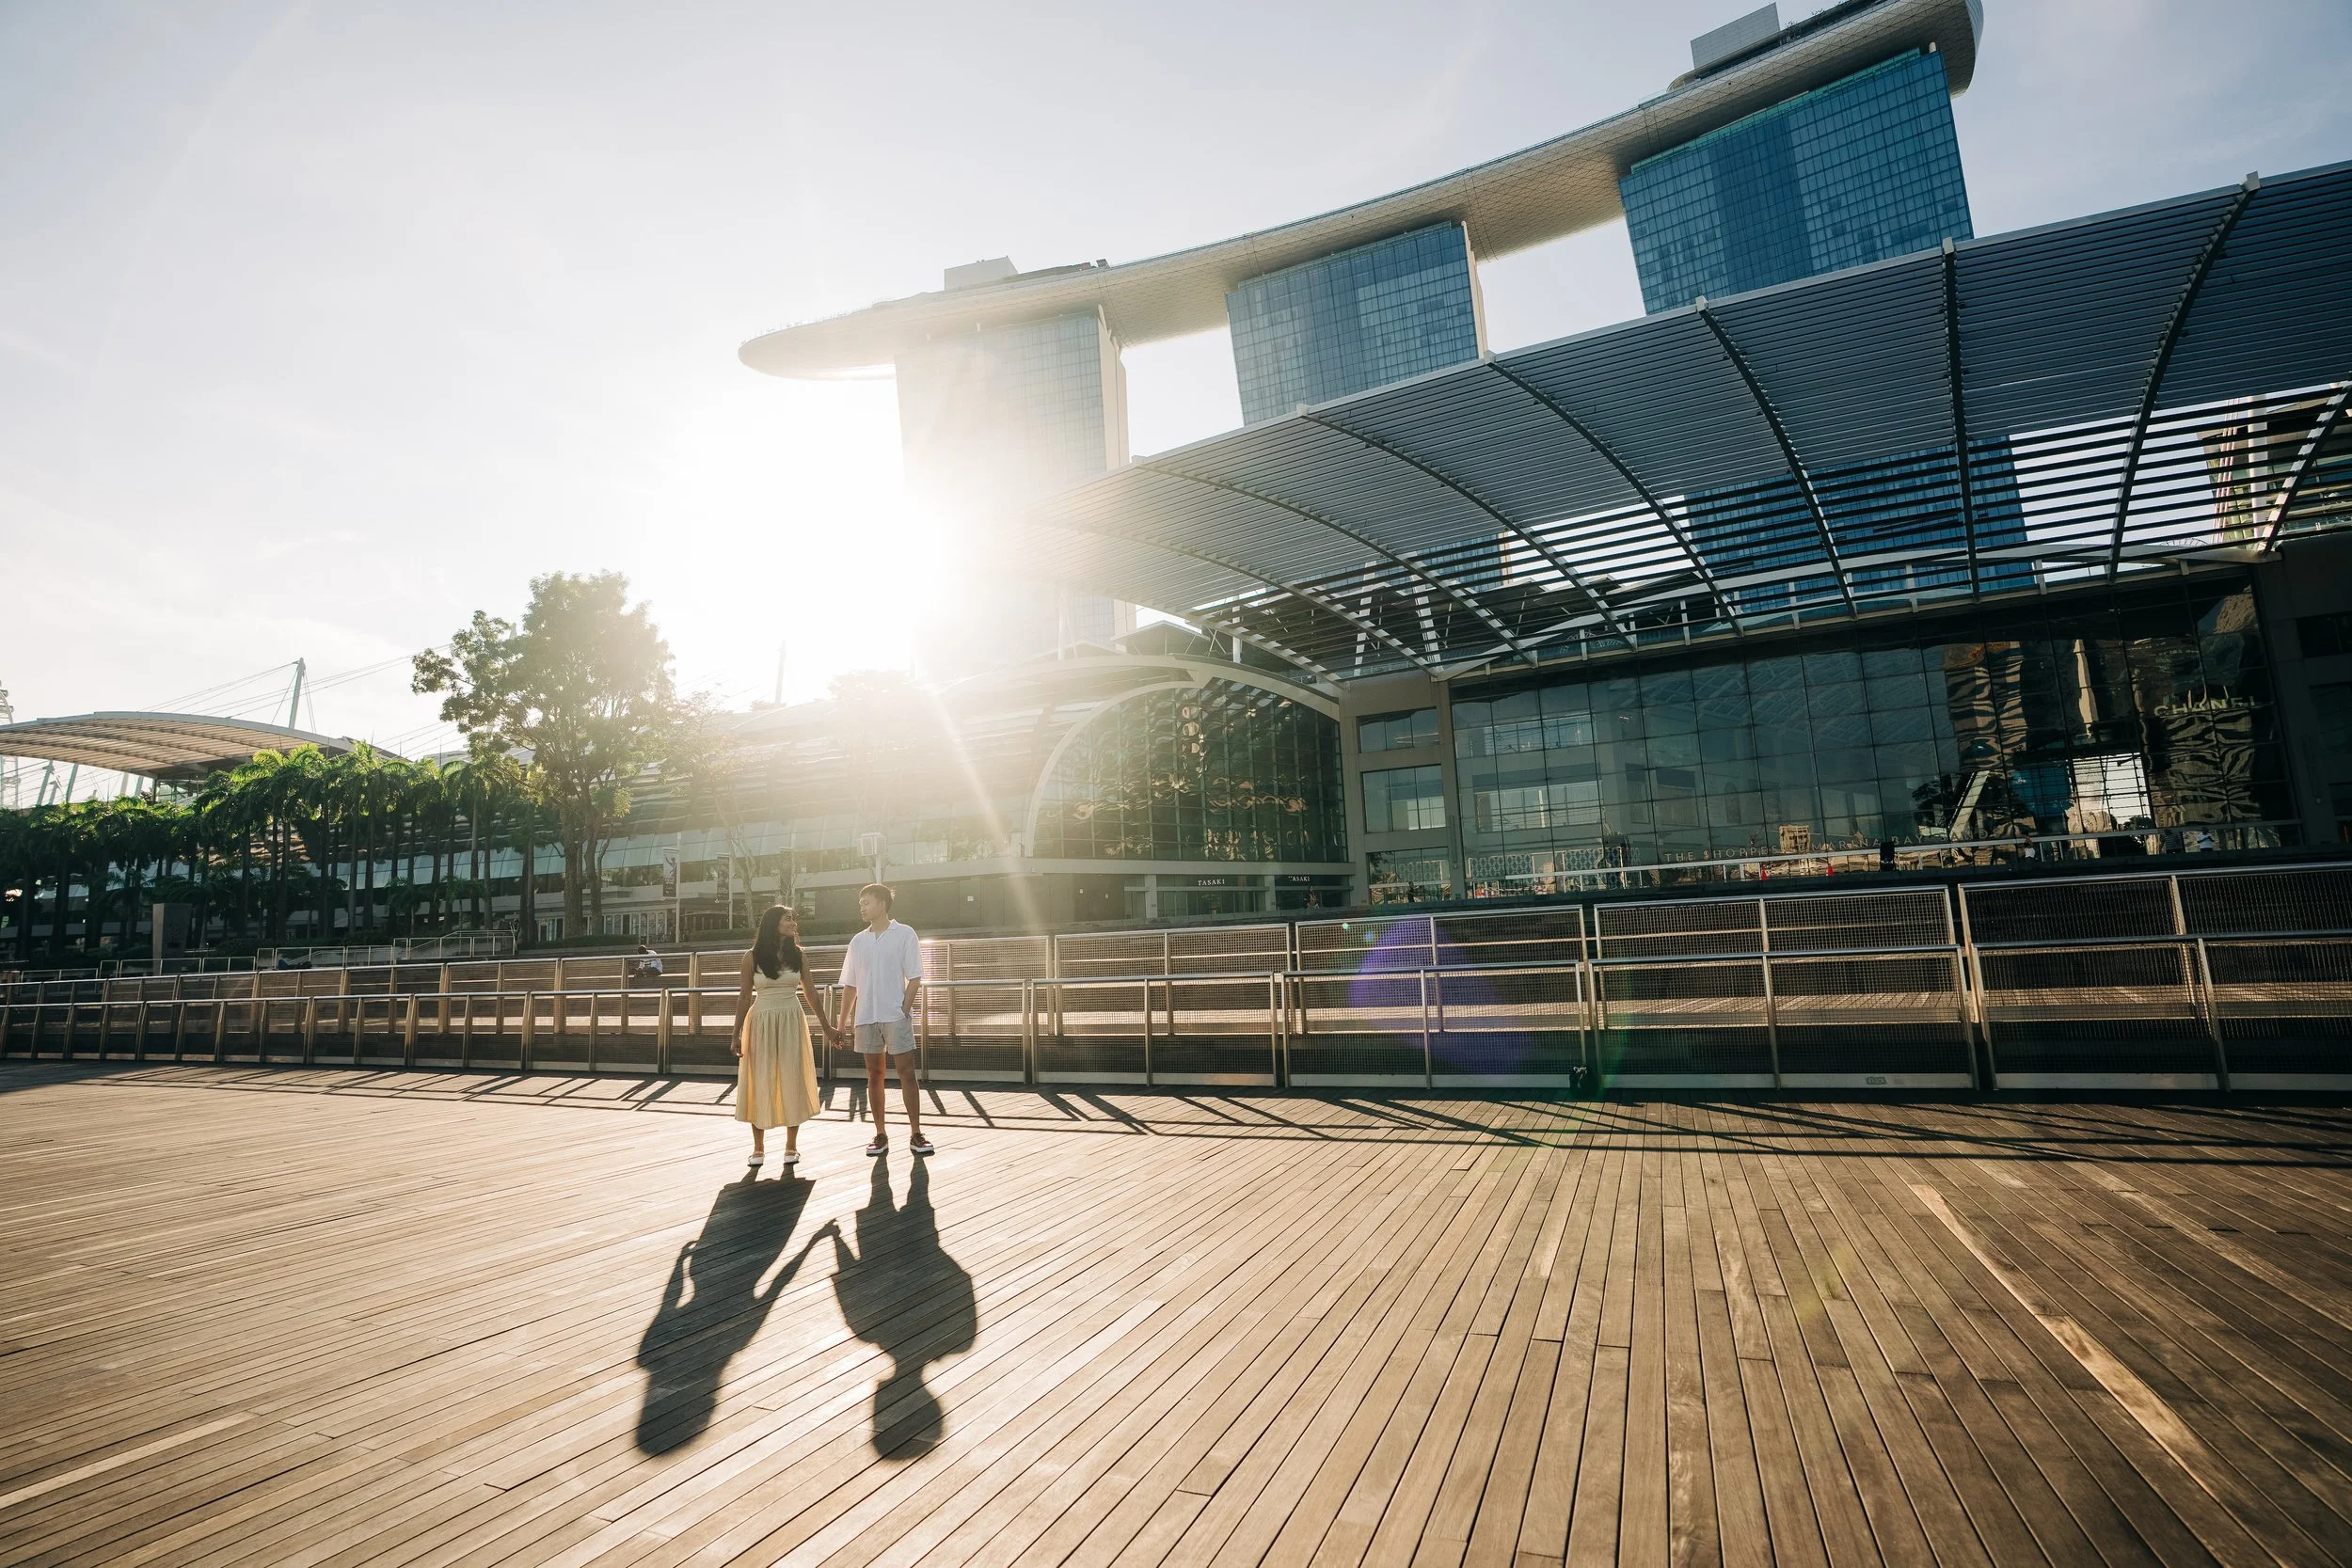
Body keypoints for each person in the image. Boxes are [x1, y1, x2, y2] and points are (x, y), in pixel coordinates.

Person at [732, 905, 831, 1168]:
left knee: (792, 1077)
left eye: (793, 919)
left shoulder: (798, 955)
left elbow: (811, 992)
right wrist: (736, 1033)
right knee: (759, 1077)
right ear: (773, 923)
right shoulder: (751, 957)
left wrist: (826, 1026)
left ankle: (791, 1146)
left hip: (791, 1018)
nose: (793, 923)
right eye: (788, 919)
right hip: (761, 1019)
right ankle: (758, 1148)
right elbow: (744, 996)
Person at [835, 882, 929, 1158]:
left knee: (906, 1073)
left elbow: (915, 976)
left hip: (894, 1016)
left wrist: (904, 1009)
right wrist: (841, 1025)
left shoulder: (904, 934)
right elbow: (850, 986)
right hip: (866, 1017)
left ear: (882, 905)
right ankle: (880, 1134)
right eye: (861, 903)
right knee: (873, 1076)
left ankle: (916, 1132)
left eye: (867, 902)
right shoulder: (858, 941)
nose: (862, 907)